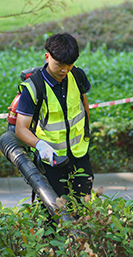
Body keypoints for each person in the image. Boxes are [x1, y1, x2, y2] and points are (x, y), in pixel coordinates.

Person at [15, 32, 93, 203]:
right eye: (59, 65)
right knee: (56, 212)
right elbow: (20, 128)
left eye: (69, 65)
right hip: (51, 162)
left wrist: (86, 131)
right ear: (47, 57)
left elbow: (84, 105)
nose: (64, 70)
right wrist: (40, 146)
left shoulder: (77, 76)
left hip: (79, 155)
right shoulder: (34, 88)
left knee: (85, 207)